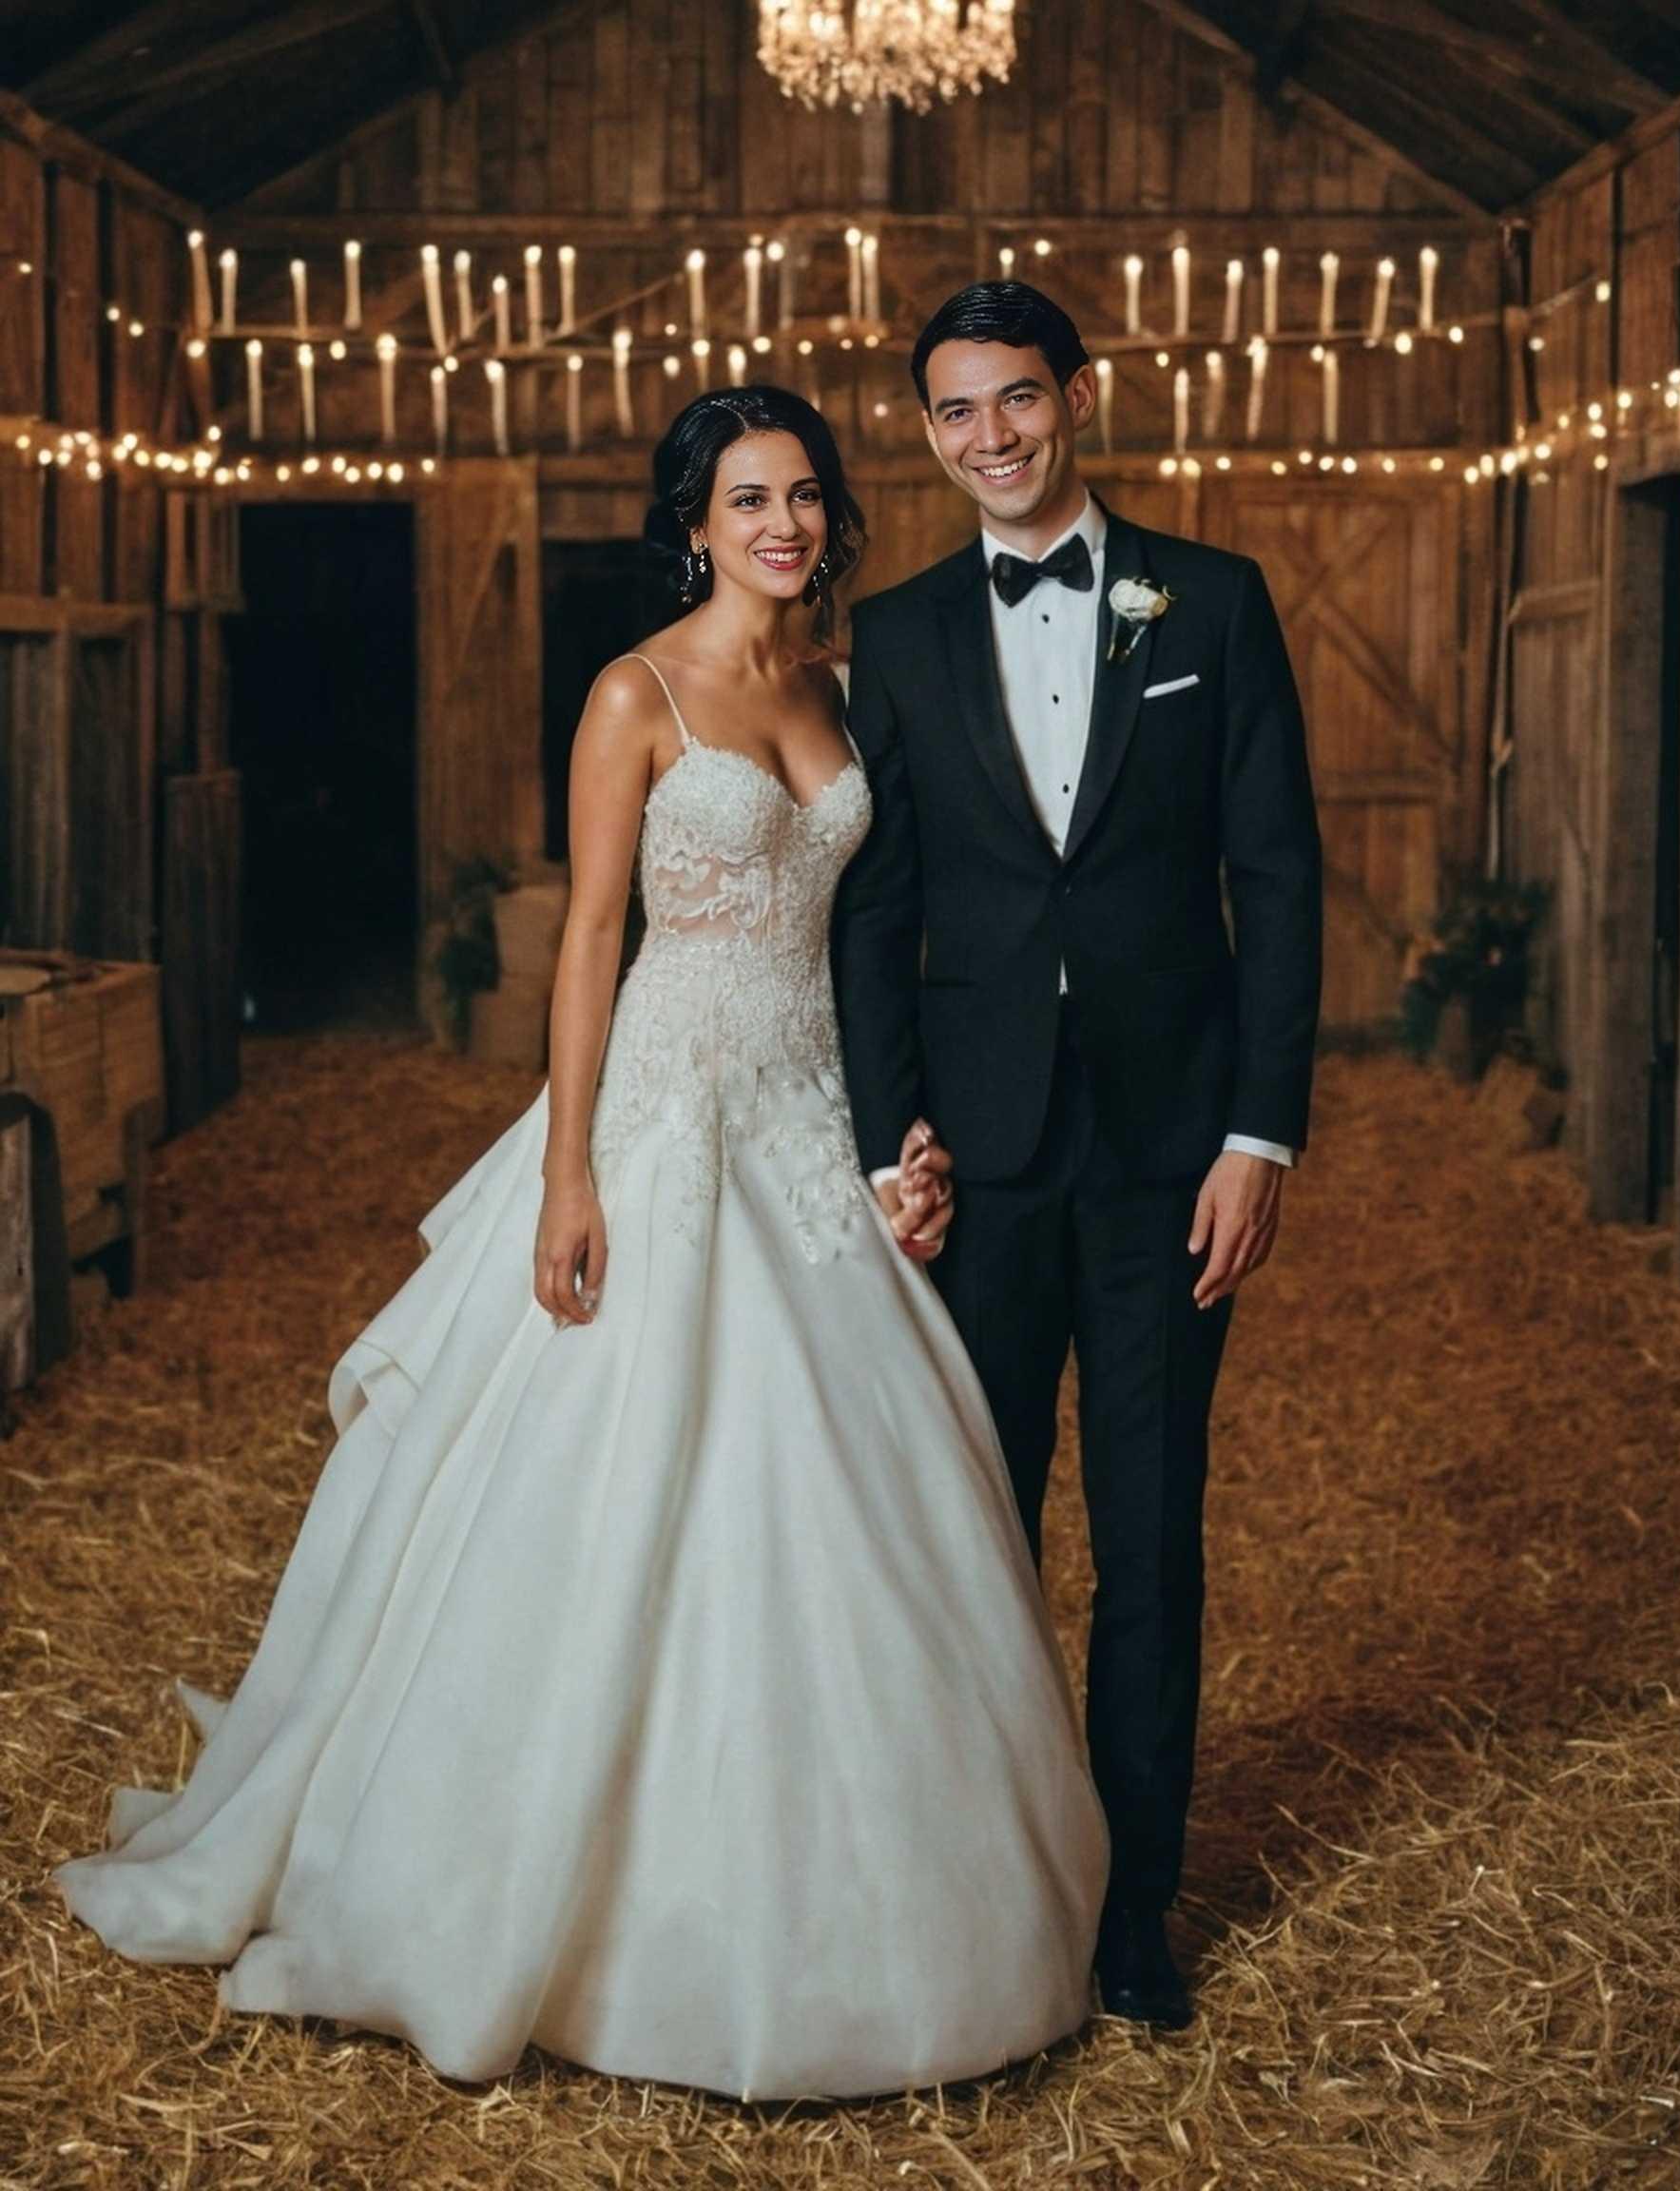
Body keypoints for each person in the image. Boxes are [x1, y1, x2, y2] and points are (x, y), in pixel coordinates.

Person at [51, 384, 1110, 2102]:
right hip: (665, 1110)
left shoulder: (839, 690)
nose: (784, 524)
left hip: (806, 1108)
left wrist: (895, 1138)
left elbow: (877, 936)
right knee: (611, 1480)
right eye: (749, 498)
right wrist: (566, 1170)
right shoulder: (637, 692)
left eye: (805, 498)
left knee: (860, 1490)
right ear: (694, 521)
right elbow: (590, 937)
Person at [832, 283, 1323, 2030]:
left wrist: (1260, 1132)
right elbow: (873, 916)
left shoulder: (1215, 599)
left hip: (1167, 1159)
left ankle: (1133, 1911)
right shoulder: (886, 638)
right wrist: (894, 1139)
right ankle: (980, 1889)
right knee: (969, 1539)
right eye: (957, 412)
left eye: (1018, 401)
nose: (992, 440)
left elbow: (1272, 881)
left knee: (1151, 1536)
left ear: (1078, 397)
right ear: (934, 429)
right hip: (973, 1160)